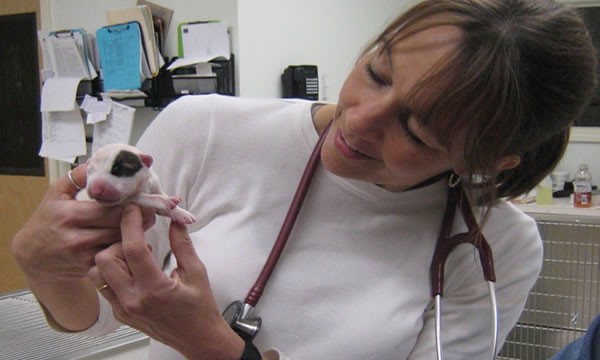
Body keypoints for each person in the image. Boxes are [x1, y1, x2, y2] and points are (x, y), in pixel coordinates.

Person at [11, 0, 597, 359]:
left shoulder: (497, 246)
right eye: (376, 71)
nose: (359, 120)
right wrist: (42, 262)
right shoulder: (203, 127)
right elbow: (92, 321)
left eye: (416, 131)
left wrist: (212, 348)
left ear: (491, 161)